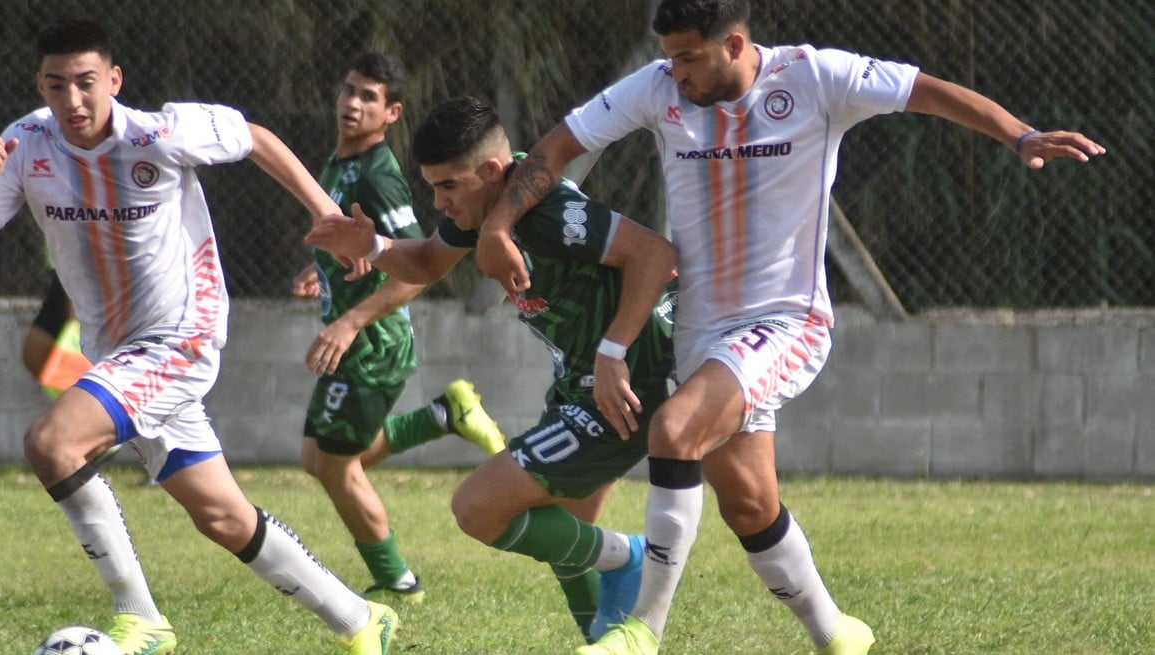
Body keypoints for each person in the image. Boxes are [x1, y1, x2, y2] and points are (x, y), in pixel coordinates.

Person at [472, 1, 1107, 654]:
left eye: (689, 56)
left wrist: (1020, 134)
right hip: (700, 330)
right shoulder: (659, 87)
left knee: (674, 428)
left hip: (787, 320)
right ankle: (836, 632)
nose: (676, 72)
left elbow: (925, 91)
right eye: (669, 57)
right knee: (748, 504)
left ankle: (643, 629)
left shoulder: (814, 77)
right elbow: (557, 145)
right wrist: (495, 225)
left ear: (735, 43)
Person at [0, 17, 400, 655]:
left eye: (86, 83)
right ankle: (359, 619)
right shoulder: (26, 146)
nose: (72, 101)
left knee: (52, 443)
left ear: (114, 79)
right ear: (39, 86)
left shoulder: (159, 132)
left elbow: (254, 137)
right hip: (118, 351)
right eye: (56, 86)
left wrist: (324, 210)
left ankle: (141, 617)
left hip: (181, 337)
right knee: (222, 516)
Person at [306, 96, 678, 644]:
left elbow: (654, 254)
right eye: (432, 186)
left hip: (629, 383)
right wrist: (376, 245)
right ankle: (605, 635)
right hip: (582, 382)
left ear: (489, 172)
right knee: (569, 539)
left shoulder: (545, 210)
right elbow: (430, 263)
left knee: (478, 509)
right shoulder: (485, 210)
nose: (439, 201)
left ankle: (631, 558)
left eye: (448, 186)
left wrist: (613, 353)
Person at [290, 53, 508, 604]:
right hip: (359, 342)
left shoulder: (378, 176)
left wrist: (350, 321)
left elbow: (417, 271)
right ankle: (443, 414)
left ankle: (398, 581)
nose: (353, 103)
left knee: (333, 466)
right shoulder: (338, 165)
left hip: (371, 346)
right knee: (321, 459)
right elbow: (362, 251)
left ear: (392, 113)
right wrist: (323, 272)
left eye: (369, 97)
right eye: (349, 90)